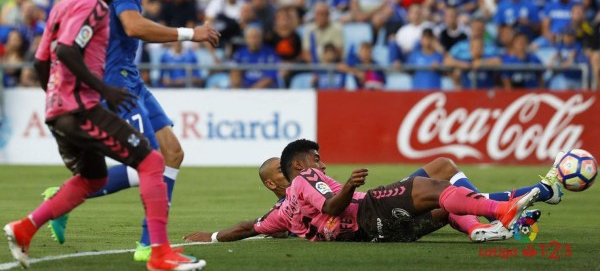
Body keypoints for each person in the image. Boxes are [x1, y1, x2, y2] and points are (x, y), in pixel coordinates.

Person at [3, 0, 206, 271]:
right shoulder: (94, 6)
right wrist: (102, 90)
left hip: (59, 109)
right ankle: (157, 252)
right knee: (151, 162)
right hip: (82, 105)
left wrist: (54, 96)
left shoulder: (62, 5)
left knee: (93, 179)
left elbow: (42, 59)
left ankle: (25, 227)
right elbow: (69, 50)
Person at [45, 0, 221, 263]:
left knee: (172, 153)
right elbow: (133, 25)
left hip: (128, 75)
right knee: (148, 159)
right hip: (117, 78)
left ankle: (147, 242)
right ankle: (63, 197)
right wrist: (190, 33)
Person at [183, 139, 566, 244]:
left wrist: (212, 236)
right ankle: (504, 209)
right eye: (317, 159)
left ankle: (485, 224)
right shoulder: (304, 181)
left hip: (372, 232)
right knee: (437, 184)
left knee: (443, 179)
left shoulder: (282, 214)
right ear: (296, 167)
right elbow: (332, 203)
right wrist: (348, 186)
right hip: (368, 213)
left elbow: (251, 226)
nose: (323, 164)